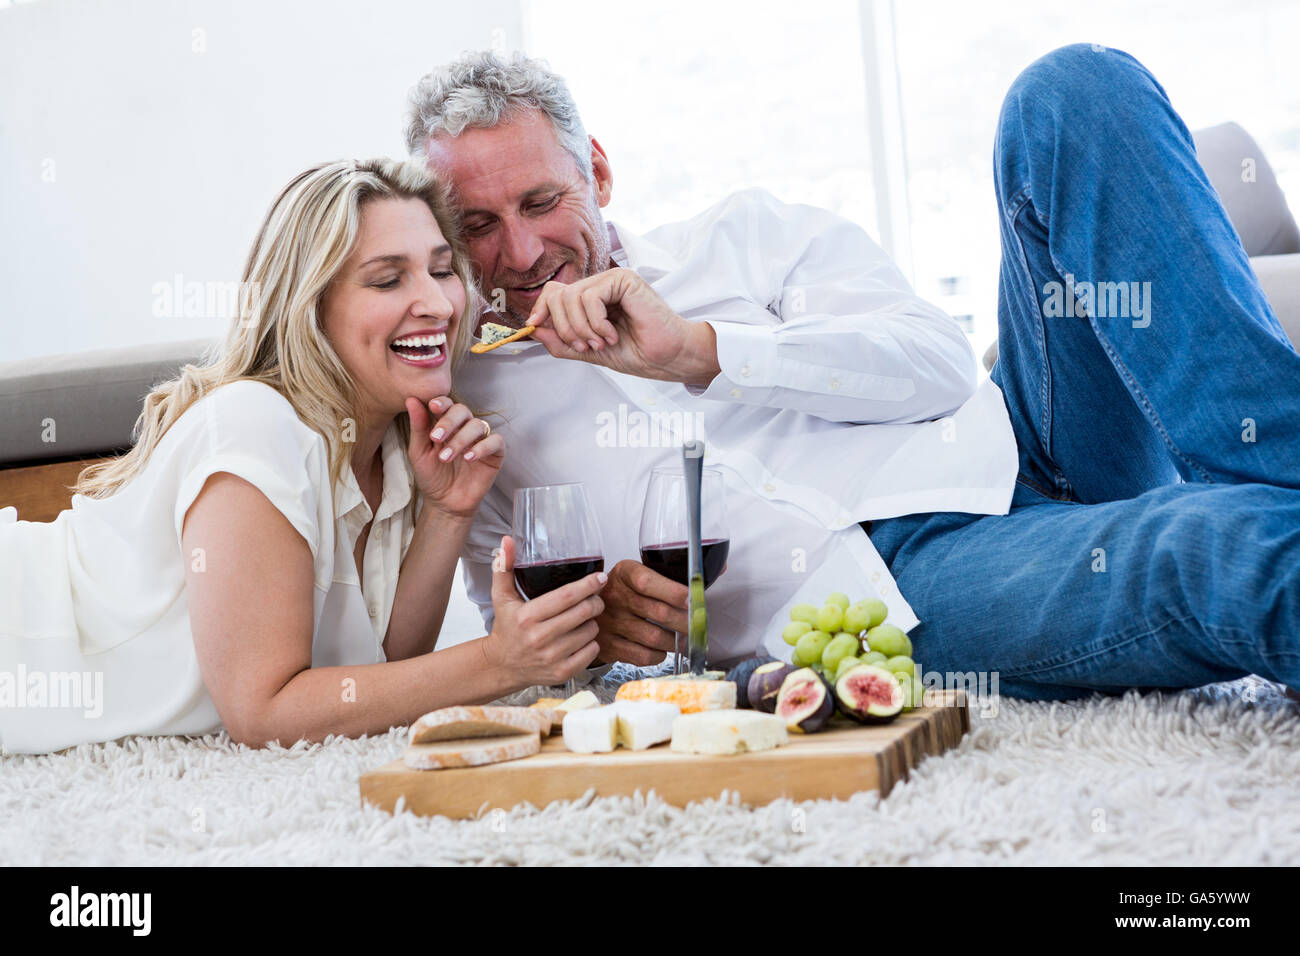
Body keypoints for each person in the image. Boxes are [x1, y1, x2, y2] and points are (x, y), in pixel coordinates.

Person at [404, 45, 1300, 700]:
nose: (520, 253)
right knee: (1218, 550)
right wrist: (601, 635)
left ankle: (1284, 463)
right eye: (476, 225)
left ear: (595, 171)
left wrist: (704, 352)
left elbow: (942, 363)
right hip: (907, 581)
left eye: (540, 202)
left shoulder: (742, 237)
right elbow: (520, 631)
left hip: (1020, 437)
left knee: (1074, 91)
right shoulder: (474, 411)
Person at [0, 159, 606, 755]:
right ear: (310, 308)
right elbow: (262, 712)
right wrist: (498, 662)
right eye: (388, 280)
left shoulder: (400, 444)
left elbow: (384, 672)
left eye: (442, 270)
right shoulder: (253, 423)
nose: (440, 305)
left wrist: (448, 512)